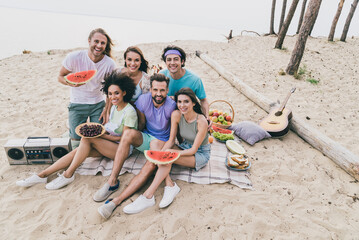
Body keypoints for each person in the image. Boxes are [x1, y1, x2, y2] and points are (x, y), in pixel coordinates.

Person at [16, 72, 137, 189]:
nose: (113, 97)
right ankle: (42, 175)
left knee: (87, 139)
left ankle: (68, 175)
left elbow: (124, 139)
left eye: (116, 93)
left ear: (124, 92)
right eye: (110, 94)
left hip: (122, 150)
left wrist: (101, 136)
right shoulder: (115, 107)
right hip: (109, 145)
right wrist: (101, 134)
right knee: (79, 151)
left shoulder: (129, 112)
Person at [97, 73, 177, 219]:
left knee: (149, 164)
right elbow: (141, 123)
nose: (158, 94)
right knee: (129, 134)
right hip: (146, 138)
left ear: (167, 91)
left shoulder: (172, 106)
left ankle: (116, 201)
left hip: (160, 143)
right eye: (155, 90)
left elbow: (175, 134)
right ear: (150, 89)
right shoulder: (142, 100)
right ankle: (112, 181)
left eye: (162, 90)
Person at [122, 88, 211, 214]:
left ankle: (148, 195)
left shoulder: (201, 121)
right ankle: (170, 185)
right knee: (157, 144)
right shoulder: (176, 115)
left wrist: (170, 154)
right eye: (179, 102)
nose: (182, 105)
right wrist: (161, 154)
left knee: (168, 158)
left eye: (186, 102)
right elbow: (170, 140)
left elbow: (193, 150)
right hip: (184, 146)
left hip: (199, 154)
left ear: (194, 103)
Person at [58, 28, 116, 147]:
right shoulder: (74, 57)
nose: (99, 45)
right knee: (76, 140)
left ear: (106, 45)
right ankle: (70, 133)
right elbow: (60, 76)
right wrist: (70, 83)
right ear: (89, 41)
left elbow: (111, 90)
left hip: (98, 105)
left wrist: (107, 110)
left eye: (103, 43)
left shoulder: (110, 64)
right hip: (77, 104)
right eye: (96, 41)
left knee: (98, 136)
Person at [159, 45, 209, 118]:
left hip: (186, 115)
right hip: (166, 115)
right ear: (165, 62)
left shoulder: (194, 79)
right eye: (169, 60)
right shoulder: (161, 75)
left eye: (176, 59)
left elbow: (203, 100)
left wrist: (207, 116)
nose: (172, 63)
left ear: (182, 61)